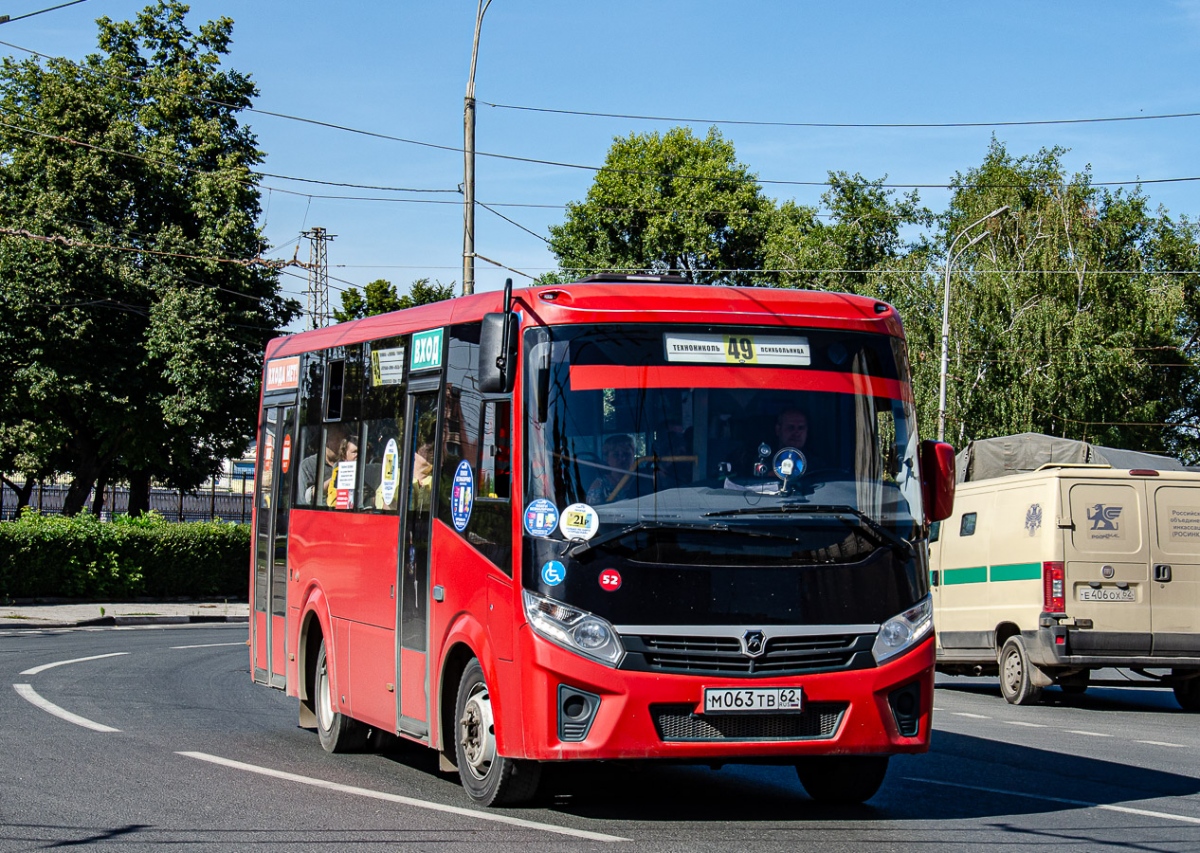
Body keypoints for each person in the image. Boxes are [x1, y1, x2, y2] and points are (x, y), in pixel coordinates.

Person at [587, 434, 637, 503]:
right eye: (616, 455)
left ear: (633, 456)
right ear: (607, 458)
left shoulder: (645, 481)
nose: (622, 459)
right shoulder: (600, 485)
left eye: (626, 454)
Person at [325, 436, 359, 507]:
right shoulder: (338, 473)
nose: (358, 455)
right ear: (344, 456)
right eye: (354, 452)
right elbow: (332, 502)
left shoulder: (372, 470)